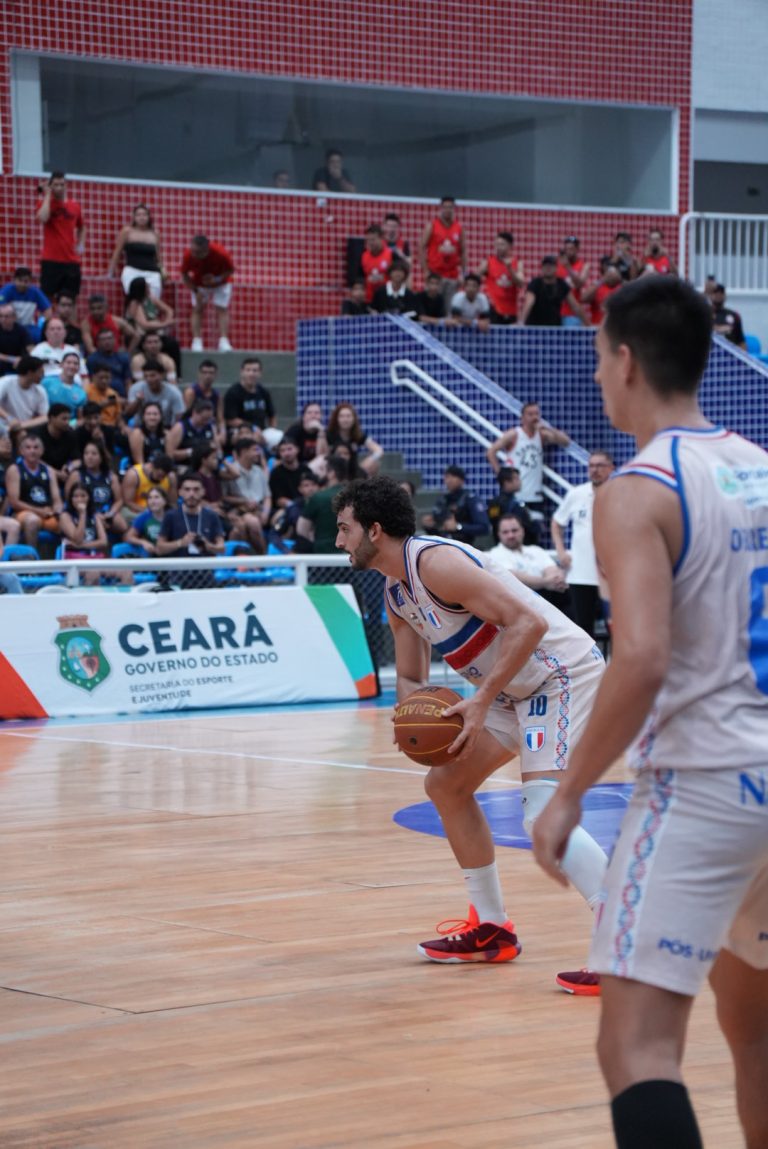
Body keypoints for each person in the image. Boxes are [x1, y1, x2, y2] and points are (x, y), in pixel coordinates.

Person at [532, 275, 768, 1146]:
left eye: (600, 359)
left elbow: (639, 658)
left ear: (627, 361)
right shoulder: (761, 466)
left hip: (703, 783)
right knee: (757, 1033)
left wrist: (566, 795)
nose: (598, 376)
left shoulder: (637, 488)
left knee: (637, 1046)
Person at [334, 475, 608, 973]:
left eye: (344, 528)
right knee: (445, 784)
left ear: (374, 530)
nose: (338, 541)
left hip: (560, 675)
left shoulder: (436, 563)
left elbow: (529, 624)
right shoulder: (396, 593)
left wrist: (479, 701)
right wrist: (412, 722)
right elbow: (411, 677)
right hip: (509, 691)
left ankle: (625, 943)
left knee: (542, 812)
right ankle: (492, 928)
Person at [551, 451, 615, 639]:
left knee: (615, 628)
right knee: (583, 630)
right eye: (591, 466)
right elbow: (557, 523)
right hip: (580, 574)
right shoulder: (576, 494)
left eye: (600, 466)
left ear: (611, 468)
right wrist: (561, 551)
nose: (595, 470)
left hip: (611, 574)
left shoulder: (621, 493)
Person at [486, 402, 571, 522]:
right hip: (516, 493)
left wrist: (547, 427)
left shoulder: (541, 435)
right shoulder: (514, 434)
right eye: (530, 414)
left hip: (534, 494)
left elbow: (565, 442)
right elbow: (491, 452)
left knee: (534, 527)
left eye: (536, 414)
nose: (534, 417)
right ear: (522, 418)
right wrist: (501, 475)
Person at [488, 511, 570, 610]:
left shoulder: (536, 550)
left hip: (548, 598)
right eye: (505, 532)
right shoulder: (494, 554)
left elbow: (552, 569)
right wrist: (545, 583)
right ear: (499, 534)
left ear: (522, 531)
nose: (510, 535)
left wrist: (555, 580)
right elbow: (514, 577)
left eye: (514, 530)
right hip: (518, 603)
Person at [5, 430, 63, 547]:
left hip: (47, 514)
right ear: (21, 451)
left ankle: (73, 555)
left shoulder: (49, 471)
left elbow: (57, 499)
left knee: (67, 520)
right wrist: (39, 511)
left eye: (36, 447)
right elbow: (14, 502)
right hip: (22, 513)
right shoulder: (15, 470)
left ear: (42, 451)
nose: (32, 451)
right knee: (32, 520)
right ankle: (31, 556)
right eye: (28, 447)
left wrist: (58, 511)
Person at [156, 471, 225, 565]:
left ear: (203, 492)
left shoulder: (212, 516)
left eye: (196, 489)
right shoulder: (170, 516)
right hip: (178, 570)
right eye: (187, 489)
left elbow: (221, 548)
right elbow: (159, 548)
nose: (191, 494)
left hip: (205, 570)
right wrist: (181, 543)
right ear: (180, 492)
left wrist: (208, 546)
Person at [35, 172, 86, 299]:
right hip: (51, 259)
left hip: (71, 259)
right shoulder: (45, 203)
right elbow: (43, 218)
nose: (59, 187)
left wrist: (81, 244)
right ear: (51, 186)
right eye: (56, 185)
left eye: (62, 184)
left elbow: (82, 226)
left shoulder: (74, 206)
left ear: (66, 185)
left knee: (70, 298)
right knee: (47, 297)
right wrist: (47, 195)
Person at [181, 235, 235, 352]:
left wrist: (216, 279)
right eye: (193, 251)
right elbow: (184, 275)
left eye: (197, 252)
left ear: (206, 250)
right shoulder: (188, 255)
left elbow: (230, 270)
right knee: (197, 309)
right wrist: (195, 291)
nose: (194, 254)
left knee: (222, 308)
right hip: (199, 284)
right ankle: (196, 341)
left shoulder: (220, 253)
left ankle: (224, 341)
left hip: (221, 282)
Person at [66, 439, 127, 537]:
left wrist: (110, 513)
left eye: (94, 454)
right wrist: (92, 515)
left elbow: (119, 500)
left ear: (101, 457)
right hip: (84, 513)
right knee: (97, 524)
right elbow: (68, 499)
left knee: (122, 525)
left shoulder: (111, 476)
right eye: (86, 453)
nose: (89, 457)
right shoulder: (76, 475)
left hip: (105, 512)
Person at [222, 437, 271, 553]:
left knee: (253, 522)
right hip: (238, 510)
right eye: (255, 450)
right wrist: (243, 501)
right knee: (251, 523)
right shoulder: (229, 472)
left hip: (258, 509)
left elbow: (267, 496)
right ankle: (263, 557)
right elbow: (224, 497)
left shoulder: (259, 470)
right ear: (244, 452)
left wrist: (265, 513)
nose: (258, 453)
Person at [107, 203, 165, 298]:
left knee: (152, 301)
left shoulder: (154, 233)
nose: (142, 218)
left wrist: (162, 271)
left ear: (149, 217)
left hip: (152, 272)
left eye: (144, 214)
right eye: (138, 215)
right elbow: (117, 252)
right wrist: (110, 271)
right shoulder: (127, 231)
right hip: (132, 270)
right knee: (135, 299)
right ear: (134, 217)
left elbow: (158, 256)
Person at [421, 464, 489, 544]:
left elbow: (484, 528)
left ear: (461, 480)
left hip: (464, 545)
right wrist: (429, 526)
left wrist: (458, 526)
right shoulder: (443, 500)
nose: (449, 480)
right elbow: (439, 530)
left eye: (453, 477)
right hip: (443, 545)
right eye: (447, 477)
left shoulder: (470, 499)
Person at [123, 278, 180, 372]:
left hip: (153, 332)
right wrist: (165, 324)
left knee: (173, 344)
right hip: (139, 335)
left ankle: (176, 373)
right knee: (158, 344)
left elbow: (169, 310)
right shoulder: (134, 303)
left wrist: (168, 319)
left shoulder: (151, 298)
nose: (149, 287)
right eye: (147, 286)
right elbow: (144, 325)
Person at [297, 454, 350, 552]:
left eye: (322, 469)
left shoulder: (318, 497)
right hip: (351, 553)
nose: (317, 473)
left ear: (332, 473)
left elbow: (301, 529)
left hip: (323, 553)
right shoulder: (356, 494)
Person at [223, 358, 279, 449]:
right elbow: (230, 420)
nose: (251, 374)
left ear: (260, 373)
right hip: (240, 430)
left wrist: (272, 430)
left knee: (279, 438)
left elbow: (272, 415)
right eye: (248, 370)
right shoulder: (233, 393)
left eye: (255, 370)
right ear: (242, 372)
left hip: (261, 431)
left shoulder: (263, 392)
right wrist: (253, 428)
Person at [420, 196, 465, 307]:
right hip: (435, 275)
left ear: (454, 209)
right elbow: (421, 247)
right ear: (441, 208)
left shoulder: (459, 228)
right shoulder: (432, 226)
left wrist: (463, 273)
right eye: (445, 207)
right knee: (433, 306)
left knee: (449, 309)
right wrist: (426, 271)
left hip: (452, 276)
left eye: (450, 207)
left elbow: (463, 251)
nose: (447, 210)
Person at [519, 256, 588, 327]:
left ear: (556, 268)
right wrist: (521, 322)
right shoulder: (535, 283)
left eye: (551, 265)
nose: (548, 268)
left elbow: (575, 306)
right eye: (545, 265)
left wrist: (588, 325)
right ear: (542, 268)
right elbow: (529, 303)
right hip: (535, 326)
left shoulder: (562, 284)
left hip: (554, 327)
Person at [478, 231, 525, 325]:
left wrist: (510, 269)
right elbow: (474, 279)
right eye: (497, 244)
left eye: (502, 244)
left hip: (511, 310)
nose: (498, 247)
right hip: (493, 310)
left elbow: (521, 283)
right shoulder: (488, 262)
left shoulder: (517, 263)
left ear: (510, 246)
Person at [326, 402, 384, 476]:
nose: (345, 419)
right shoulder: (329, 434)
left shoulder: (358, 435)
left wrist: (370, 459)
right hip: (334, 472)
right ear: (336, 419)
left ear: (354, 419)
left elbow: (379, 450)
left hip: (353, 471)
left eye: (348, 416)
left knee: (375, 463)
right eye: (342, 416)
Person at [126, 360, 185, 429]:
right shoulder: (136, 388)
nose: (149, 379)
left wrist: (173, 432)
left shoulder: (174, 392)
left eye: (152, 375)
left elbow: (179, 416)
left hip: (165, 427)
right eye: (146, 376)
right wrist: (137, 401)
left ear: (162, 375)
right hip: (141, 427)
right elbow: (128, 413)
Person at [121, 453, 177, 525]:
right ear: (151, 466)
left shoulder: (170, 477)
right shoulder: (133, 475)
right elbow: (128, 502)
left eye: (163, 476)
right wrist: (149, 512)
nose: (161, 479)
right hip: (136, 511)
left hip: (160, 512)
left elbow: (172, 503)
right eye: (159, 475)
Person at [486, 466, 536, 544]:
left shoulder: (515, 501)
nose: (519, 482)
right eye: (516, 479)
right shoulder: (498, 503)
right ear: (506, 482)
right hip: (509, 544)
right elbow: (495, 524)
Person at [0, 356, 48, 434]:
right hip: (2, 426)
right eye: (40, 372)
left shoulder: (40, 390)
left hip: (24, 428)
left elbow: (45, 417)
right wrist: (9, 418)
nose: (43, 375)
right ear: (30, 373)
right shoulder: (6, 382)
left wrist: (21, 425)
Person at [0, 268, 51, 342]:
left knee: (41, 336)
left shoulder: (35, 292)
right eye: (20, 280)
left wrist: (41, 324)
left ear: (30, 282)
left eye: (26, 281)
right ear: (14, 280)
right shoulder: (7, 290)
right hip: (11, 326)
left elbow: (48, 310)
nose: (22, 284)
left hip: (29, 326)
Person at [166, 398, 222, 465]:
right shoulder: (180, 428)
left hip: (205, 466)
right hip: (184, 465)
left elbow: (218, 450)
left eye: (208, 419)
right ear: (194, 413)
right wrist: (190, 452)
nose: (206, 422)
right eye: (203, 418)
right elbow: (170, 454)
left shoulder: (211, 427)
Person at [38, 403, 80, 482]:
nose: (67, 422)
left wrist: (68, 468)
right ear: (52, 418)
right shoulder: (38, 434)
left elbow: (77, 460)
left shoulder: (71, 435)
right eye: (64, 419)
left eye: (69, 419)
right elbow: (35, 460)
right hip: (41, 473)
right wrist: (56, 473)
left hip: (64, 475)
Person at [556, 236, 591, 327]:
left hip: (573, 314)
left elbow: (579, 284)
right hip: (557, 312)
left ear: (577, 249)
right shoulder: (557, 264)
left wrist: (568, 267)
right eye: (567, 249)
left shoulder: (584, 265)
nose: (569, 251)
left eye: (572, 249)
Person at [124, 485, 169, 555]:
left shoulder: (172, 517)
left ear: (165, 501)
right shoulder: (144, 517)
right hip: (150, 554)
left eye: (156, 497)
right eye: (150, 498)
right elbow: (128, 537)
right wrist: (143, 542)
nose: (153, 501)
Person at [41, 351, 87, 416]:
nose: (72, 366)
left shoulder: (81, 393)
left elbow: (80, 418)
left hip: (70, 422)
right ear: (61, 365)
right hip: (45, 419)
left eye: (75, 364)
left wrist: (72, 422)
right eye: (68, 362)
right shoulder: (46, 382)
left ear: (79, 367)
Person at [284, 402, 328, 466]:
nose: (313, 416)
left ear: (321, 416)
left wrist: (321, 432)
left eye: (316, 413)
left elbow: (323, 457)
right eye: (309, 413)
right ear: (304, 417)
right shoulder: (294, 430)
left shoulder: (323, 432)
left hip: (316, 467)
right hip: (297, 466)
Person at [360, 225, 393, 306]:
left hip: (387, 298)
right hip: (369, 299)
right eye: (368, 240)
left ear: (381, 239)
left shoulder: (391, 254)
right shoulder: (364, 256)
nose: (370, 243)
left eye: (373, 239)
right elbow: (361, 276)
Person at [583, 258, 623, 326]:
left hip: (615, 327)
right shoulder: (597, 287)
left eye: (613, 272)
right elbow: (584, 298)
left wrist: (621, 280)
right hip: (598, 326)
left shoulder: (622, 287)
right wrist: (602, 280)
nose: (611, 275)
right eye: (609, 272)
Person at [127, 400, 167, 467]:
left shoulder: (166, 434)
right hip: (141, 468)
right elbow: (139, 462)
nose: (152, 417)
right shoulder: (137, 434)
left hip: (162, 469)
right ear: (143, 417)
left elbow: (169, 459)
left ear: (161, 416)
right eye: (148, 414)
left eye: (155, 414)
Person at [0, 302, 32, 377]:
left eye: (6, 316)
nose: (3, 319)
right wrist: (12, 359)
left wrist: (23, 360)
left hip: (19, 362)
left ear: (14, 317)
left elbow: (30, 348)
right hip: (3, 362)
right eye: (1, 316)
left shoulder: (22, 330)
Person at [711, 283, 747, 350]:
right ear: (710, 295)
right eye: (715, 292)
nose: (718, 295)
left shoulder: (734, 315)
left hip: (730, 353)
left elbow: (741, 341)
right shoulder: (704, 315)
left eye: (721, 293)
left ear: (725, 296)